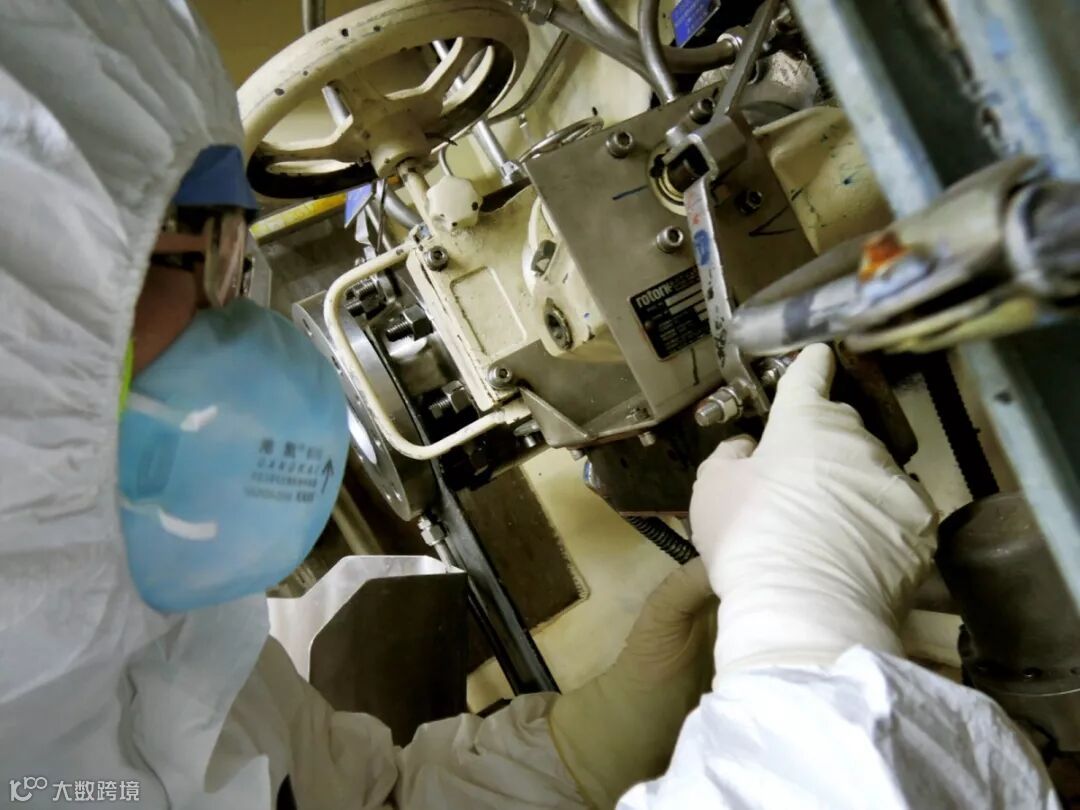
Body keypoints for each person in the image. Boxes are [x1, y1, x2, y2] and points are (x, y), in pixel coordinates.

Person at [0, 3, 1057, 808]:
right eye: (195, 253)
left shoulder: (118, 650)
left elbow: (368, 803)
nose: (239, 315)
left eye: (237, 255)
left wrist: (586, 740)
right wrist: (810, 647)